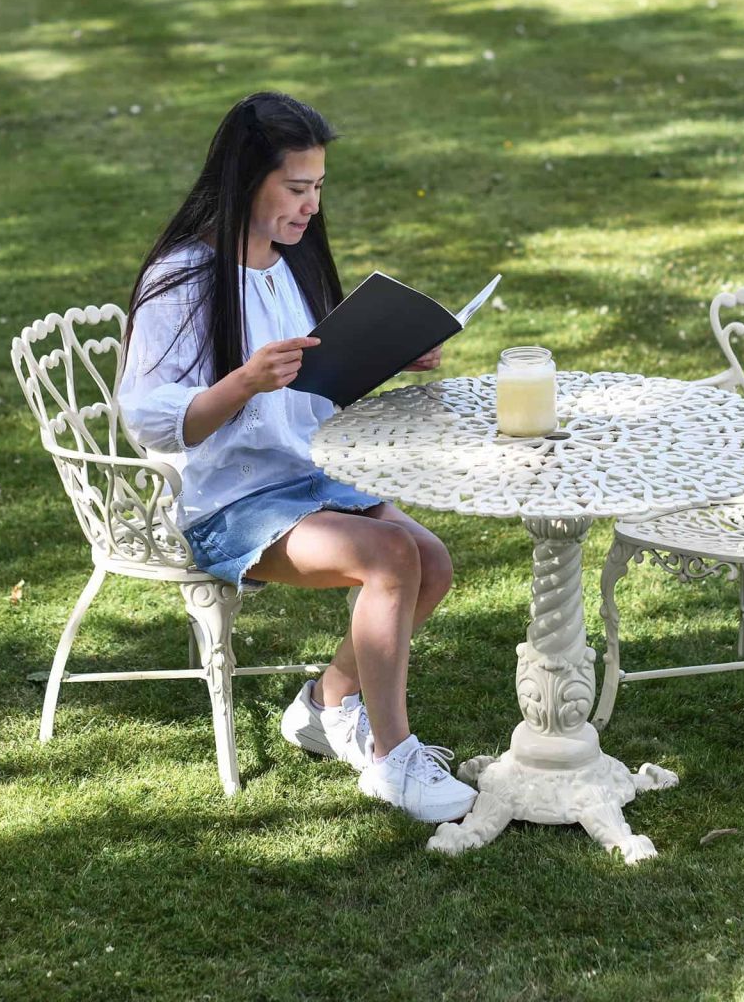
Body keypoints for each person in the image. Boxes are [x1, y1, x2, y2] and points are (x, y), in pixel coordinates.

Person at [118, 90, 476, 824]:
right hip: (230, 500)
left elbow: (318, 381)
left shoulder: (289, 265)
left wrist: (391, 354)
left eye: (318, 188)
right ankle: (391, 759)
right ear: (247, 181)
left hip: (304, 477)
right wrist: (243, 380)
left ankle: (326, 703)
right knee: (390, 556)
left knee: (431, 560)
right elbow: (149, 418)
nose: (312, 205)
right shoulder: (182, 281)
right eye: (297, 187)